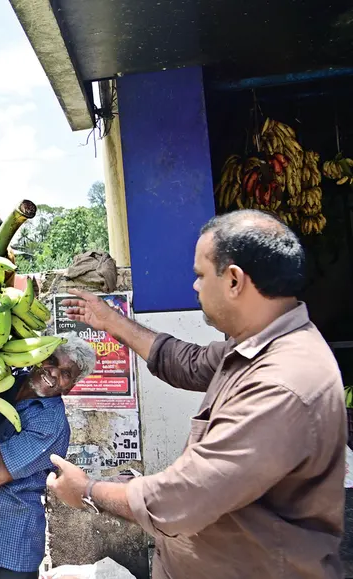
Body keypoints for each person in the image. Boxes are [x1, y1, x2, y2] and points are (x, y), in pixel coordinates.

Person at [46, 210, 346, 579]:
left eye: (201, 275)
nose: (194, 285)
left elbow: (185, 497)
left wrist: (88, 491)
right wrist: (109, 320)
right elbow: (186, 362)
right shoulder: (254, 348)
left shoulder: (283, 381)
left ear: (233, 280)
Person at [0, 332, 97, 579]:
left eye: (65, 373)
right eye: (52, 360)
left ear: (70, 387)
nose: (53, 372)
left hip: (11, 547)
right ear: (39, 357)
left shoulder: (51, 424)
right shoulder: (4, 383)